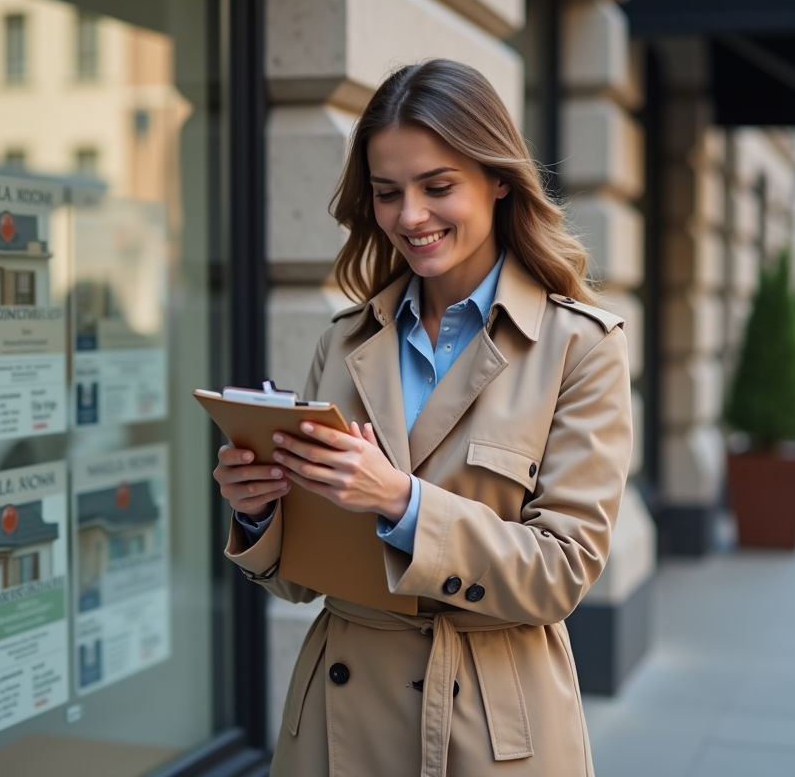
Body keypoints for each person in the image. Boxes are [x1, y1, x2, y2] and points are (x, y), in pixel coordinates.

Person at [212, 59, 632, 776]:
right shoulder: (345, 341)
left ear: (499, 178)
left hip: (492, 729)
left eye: (438, 187)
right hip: (336, 725)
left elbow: (562, 573)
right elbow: (300, 581)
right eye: (386, 193)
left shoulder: (579, 347)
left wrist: (399, 501)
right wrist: (259, 514)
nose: (410, 216)